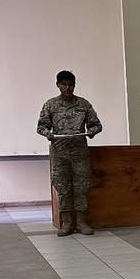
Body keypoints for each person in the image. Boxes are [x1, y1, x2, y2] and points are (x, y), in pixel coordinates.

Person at [37, 70, 102, 236]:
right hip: (59, 153)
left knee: (81, 187)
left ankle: (82, 222)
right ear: (58, 85)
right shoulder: (50, 105)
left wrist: (91, 131)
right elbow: (41, 127)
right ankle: (67, 223)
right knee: (63, 188)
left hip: (79, 152)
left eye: (71, 85)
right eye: (64, 85)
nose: (68, 88)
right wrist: (48, 134)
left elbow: (96, 125)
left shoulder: (83, 104)